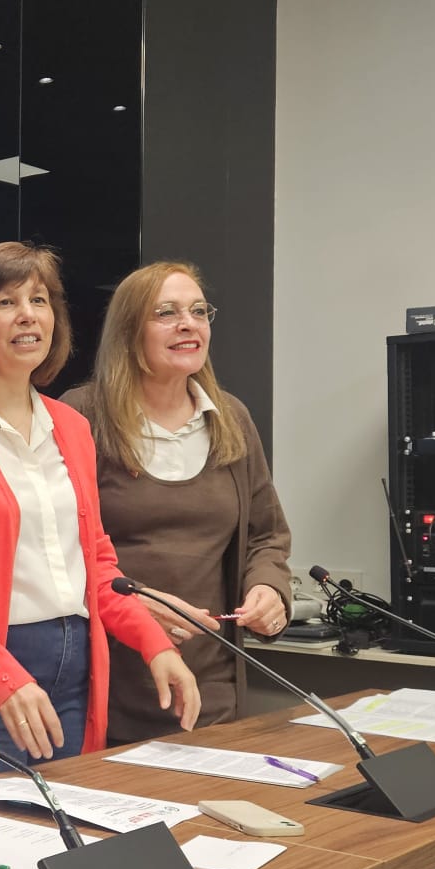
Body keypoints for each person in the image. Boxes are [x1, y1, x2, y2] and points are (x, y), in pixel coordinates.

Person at [0, 241, 202, 788]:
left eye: (40, 299)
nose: (29, 313)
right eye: (6, 302)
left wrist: (155, 643)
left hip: (74, 675)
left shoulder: (70, 427)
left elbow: (97, 566)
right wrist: (1, 672)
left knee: (62, 851)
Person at [60, 260, 293, 744]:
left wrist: (270, 588)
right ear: (129, 332)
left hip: (212, 689)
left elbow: (266, 535)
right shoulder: (80, 415)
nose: (188, 324)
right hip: (108, 687)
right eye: (166, 313)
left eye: (199, 311)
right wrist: (132, 599)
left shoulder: (230, 417)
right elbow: (53, 548)